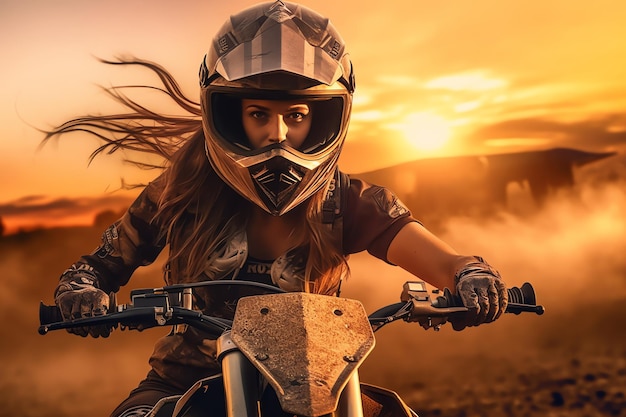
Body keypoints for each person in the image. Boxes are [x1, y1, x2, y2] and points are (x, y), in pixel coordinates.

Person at [47, 2, 508, 416]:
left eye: (297, 116)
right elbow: (98, 266)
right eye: (259, 114)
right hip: (183, 379)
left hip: (321, 386)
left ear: (326, 116)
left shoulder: (347, 200)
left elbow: (443, 260)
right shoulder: (179, 191)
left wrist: (471, 276)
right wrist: (81, 290)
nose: (279, 134)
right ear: (228, 114)